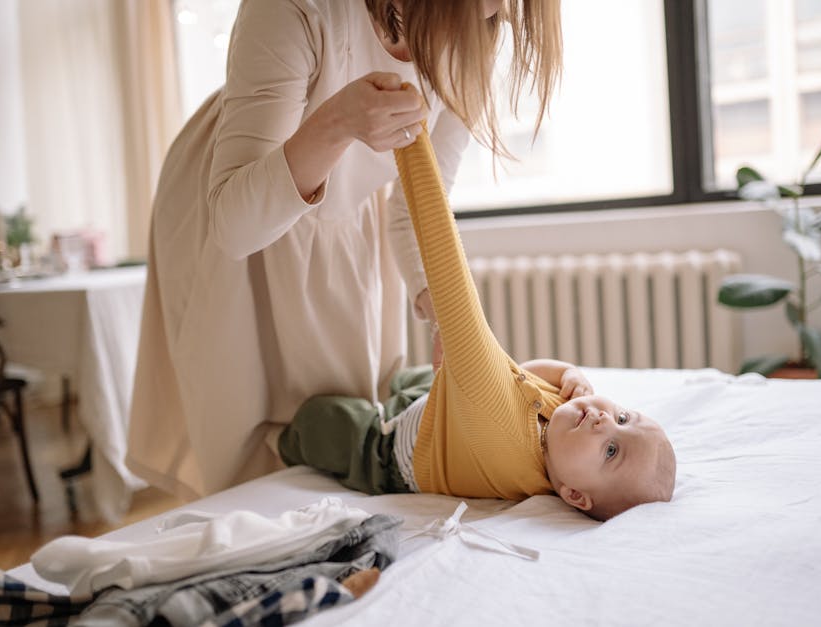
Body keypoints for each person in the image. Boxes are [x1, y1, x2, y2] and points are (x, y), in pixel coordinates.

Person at [127, 0, 564, 500]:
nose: (502, 10)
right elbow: (235, 227)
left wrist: (443, 311)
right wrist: (336, 123)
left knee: (339, 430)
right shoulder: (300, 11)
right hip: (241, 203)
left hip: (346, 208)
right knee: (247, 452)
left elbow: (417, 201)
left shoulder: (480, 30)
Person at [279, 121, 676, 521]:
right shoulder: (566, 427)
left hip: (394, 451)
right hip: (439, 404)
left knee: (323, 420)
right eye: (624, 416)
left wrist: (411, 138)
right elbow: (522, 375)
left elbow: (462, 312)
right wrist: (566, 372)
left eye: (610, 449)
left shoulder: (506, 440)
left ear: (574, 495)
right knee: (415, 380)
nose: (605, 419)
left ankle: (288, 439)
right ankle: (407, 390)